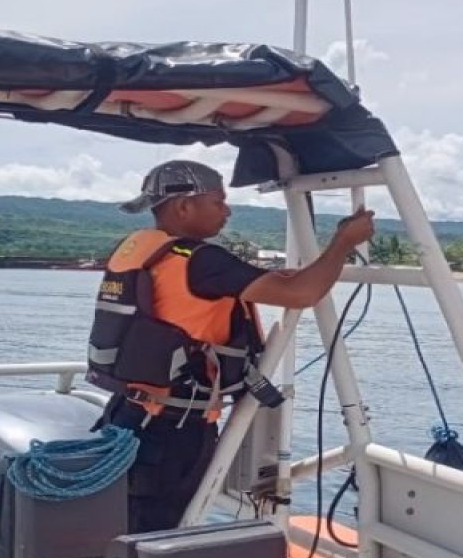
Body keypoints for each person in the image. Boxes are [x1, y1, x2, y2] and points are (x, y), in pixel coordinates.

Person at [86, 159, 375, 534]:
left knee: (129, 524)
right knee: (155, 534)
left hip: (129, 413)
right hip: (173, 432)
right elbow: (301, 294)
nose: (227, 210)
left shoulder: (140, 250)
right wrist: (344, 242)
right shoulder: (201, 261)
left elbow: (206, 292)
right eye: (218, 201)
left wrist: (280, 276)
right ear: (184, 206)